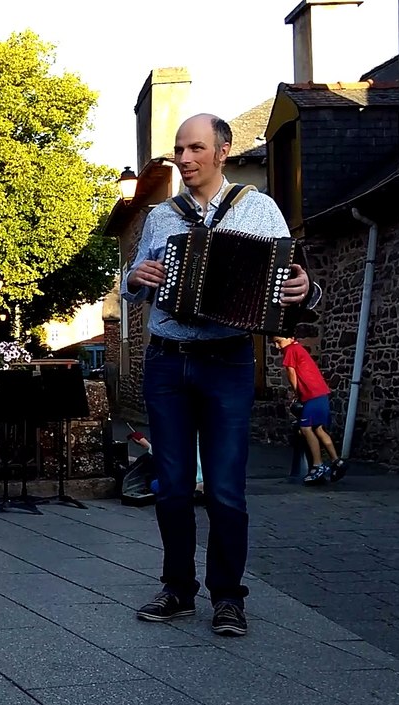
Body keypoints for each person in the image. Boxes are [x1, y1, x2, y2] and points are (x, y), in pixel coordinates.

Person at [121, 114, 314, 637]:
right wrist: (134, 277)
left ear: (222, 152)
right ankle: (178, 588)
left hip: (229, 362)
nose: (183, 159)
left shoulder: (258, 210)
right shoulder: (161, 218)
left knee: (227, 489)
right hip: (167, 360)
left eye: (194, 149)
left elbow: (291, 282)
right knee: (173, 487)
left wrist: (303, 289)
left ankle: (229, 596)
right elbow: (131, 286)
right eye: (179, 149)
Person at [272, 336, 346, 485]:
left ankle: (317, 466)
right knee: (318, 429)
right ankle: (336, 461)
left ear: (290, 338)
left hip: (311, 394)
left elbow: (291, 372)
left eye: (278, 342)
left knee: (305, 428)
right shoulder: (298, 348)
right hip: (320, 393)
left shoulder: (290, 349)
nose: (277, 346)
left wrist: (296, 393)